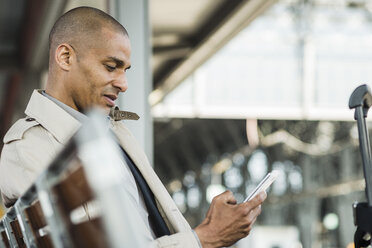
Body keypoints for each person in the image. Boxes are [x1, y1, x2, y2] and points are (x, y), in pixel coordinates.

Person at [0, 6, 266, 248]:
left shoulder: (113, 132)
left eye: (125, 69)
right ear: (66, 57)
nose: (123, 83)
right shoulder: (26, 150)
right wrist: (205, 238)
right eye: (111, 66)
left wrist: (207, 230)